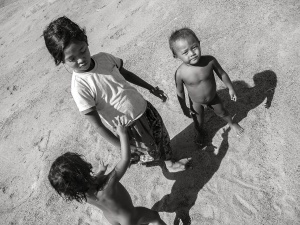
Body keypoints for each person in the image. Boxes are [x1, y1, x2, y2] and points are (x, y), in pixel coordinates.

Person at [43, 16, 191, 172]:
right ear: (61, 61)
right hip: (130, 126)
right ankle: (167, 165)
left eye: (82, 50)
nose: (81, 60)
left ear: (86, 41)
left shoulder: (104, 58)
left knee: (161, 138)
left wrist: (150, 88)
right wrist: (122, 145)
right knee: (148, 151)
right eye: (72, 59)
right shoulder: (80, 87)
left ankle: (167, 161)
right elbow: (98, 126)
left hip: (144, 109)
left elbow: (126, 74)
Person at [48, 117, 166, 225]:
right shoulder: (108, 184)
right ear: (82, 169)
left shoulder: (82, 193)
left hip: (113, 220)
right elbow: (125, 159)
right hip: (129, 217)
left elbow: (92, 181)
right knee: (154, 216)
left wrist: (101, 171)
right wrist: (123, 134)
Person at [169, 28, 244, 146]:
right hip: (195, 103)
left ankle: (231, 123)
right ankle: (200, 133)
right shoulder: (180, 73)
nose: (192, 53)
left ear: (199, 43)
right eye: (185, 52)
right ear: (176, 55)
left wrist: (230, 88)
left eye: (194, 47)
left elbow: (222, 74)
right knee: (198, 122)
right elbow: (180, 92)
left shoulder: (209, 61)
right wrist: (184, 107)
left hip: (212, 97)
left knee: (222, 112)